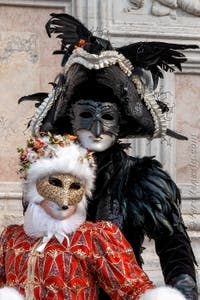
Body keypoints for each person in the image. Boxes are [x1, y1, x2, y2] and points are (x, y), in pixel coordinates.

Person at [19, 13, 199, 300]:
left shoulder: (142, 180)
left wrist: (183, 289)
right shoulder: (48, 175)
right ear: (72, 118)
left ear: (121, 122)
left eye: (107, 117)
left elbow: (172, 245)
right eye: (87, 115)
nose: (98, 129)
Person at [0, 133, 187, 300]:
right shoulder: (12, 238)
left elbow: (133, 289)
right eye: (55, 183)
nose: (65, 199)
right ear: (35, 189)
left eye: (74, 187)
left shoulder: (93, 238)